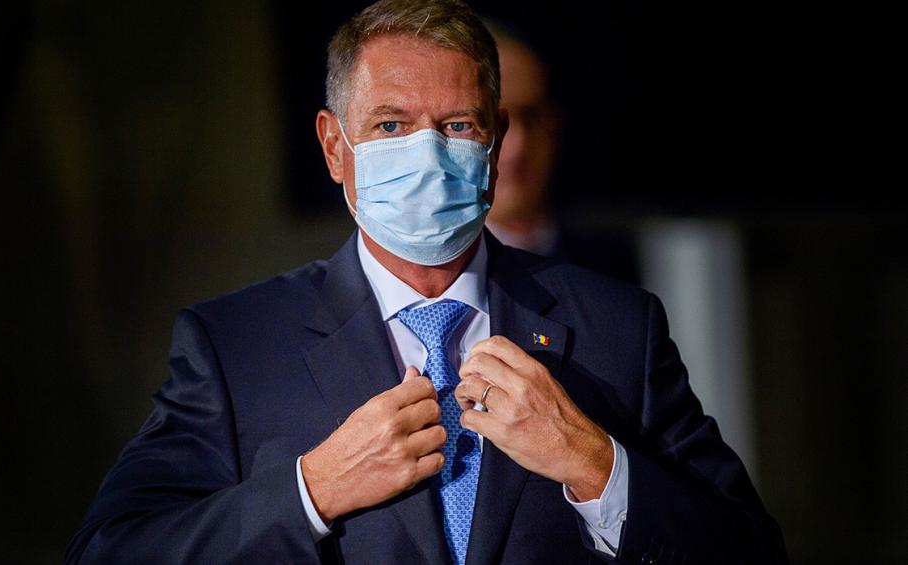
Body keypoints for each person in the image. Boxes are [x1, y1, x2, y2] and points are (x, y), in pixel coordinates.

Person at [67, 1, 786, 563]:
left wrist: (595, 465)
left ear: (495, 146)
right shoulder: (236, 347)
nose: (427, 154)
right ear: (333, 146)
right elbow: (110, 551)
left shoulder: (617, 328)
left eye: (457, 125)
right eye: (390, 125)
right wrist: (313, 489)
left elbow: (751, 550)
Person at [487, 24, 642, 286]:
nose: (517, 146)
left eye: (531, 117)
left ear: (553, 125)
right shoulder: (427, 277)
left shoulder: (609, 265)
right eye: (492, 122)